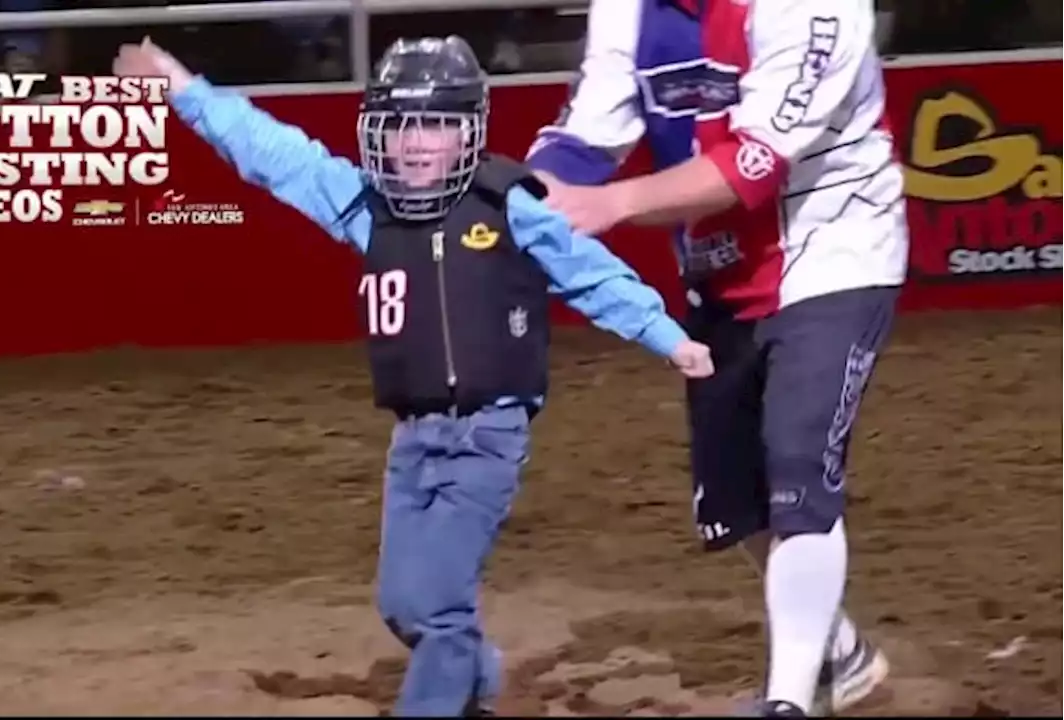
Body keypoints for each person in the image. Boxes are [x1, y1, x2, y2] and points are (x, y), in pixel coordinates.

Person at [114, 34, 713, 717]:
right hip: (413, 444)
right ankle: (477, 683)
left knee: (437, 602)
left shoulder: (508, 205)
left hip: (488, 436)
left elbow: (590, 274)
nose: (418, 143)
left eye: (436, 125)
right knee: (404, 606)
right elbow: (274, 154)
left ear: (467, 134)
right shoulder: (366, 209)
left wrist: (667, 337)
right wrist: (187, 91)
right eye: (403, 125)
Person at [525, 0, 905, 716]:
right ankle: (840, 653)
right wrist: (522, 193)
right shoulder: (629, 8)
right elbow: (592, 129)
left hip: (837, 244)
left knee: (797, 467)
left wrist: (607, 205)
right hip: (718, 266)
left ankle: (787, 701)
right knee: (737, 503)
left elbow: (753, 164)